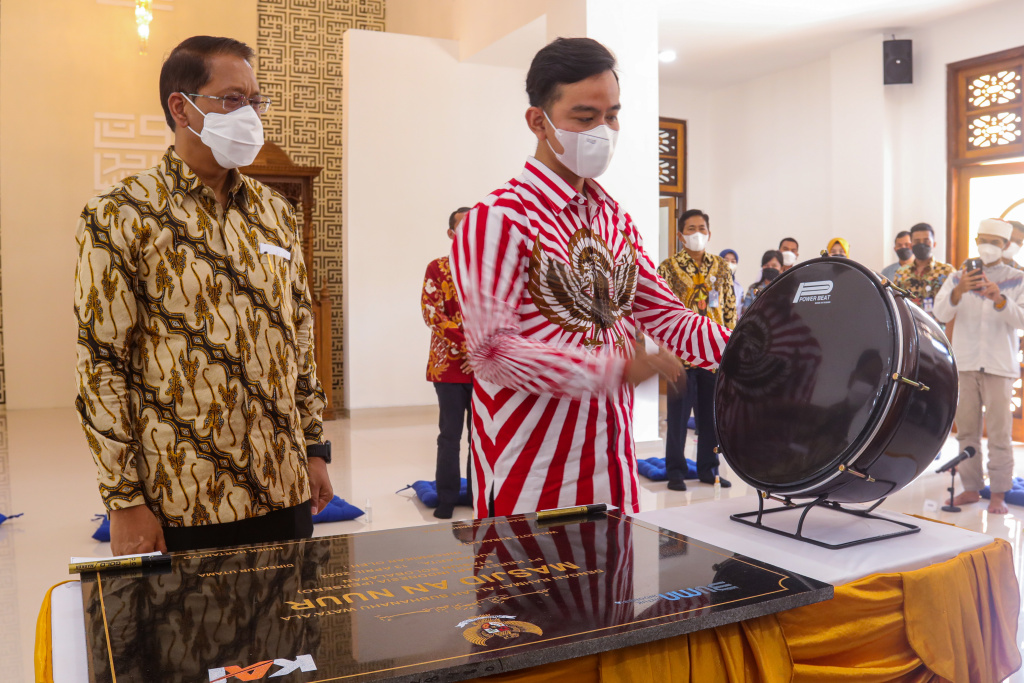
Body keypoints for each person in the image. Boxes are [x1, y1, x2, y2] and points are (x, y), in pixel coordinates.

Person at [449, 37, 731, 518]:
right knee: (538, 593)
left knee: (614, 590)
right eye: (585, 117)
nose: (604, 130)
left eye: (612, 115)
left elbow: (665, 314)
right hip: (533, 470)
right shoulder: (496, 219)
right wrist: (615, 370)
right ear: (539, 121)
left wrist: (752, 350)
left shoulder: (614, 219)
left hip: (613, 461)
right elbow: (492, 353)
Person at [74, 36, 333, 555]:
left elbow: (299, 337)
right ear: (181, 107)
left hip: (282, 484)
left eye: (255, 101)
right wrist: (123, 499)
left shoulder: (274, 213)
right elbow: (102, 365)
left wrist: (313, 448)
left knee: (291, 634)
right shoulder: (120, 214)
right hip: (184, 493)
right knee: (190, 635)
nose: (250, 115)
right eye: (233, 100)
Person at [934, 219, 1024, 515]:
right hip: (966, 362)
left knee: (999, 433)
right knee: (966, 431)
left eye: (994, 242)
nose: (988, 246)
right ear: (976, 241)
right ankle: (971, 489)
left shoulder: (1017, 278)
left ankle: (998, 494)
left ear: (1005, 245)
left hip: (1000, 366)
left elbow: (1021, 321)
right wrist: (959, 291)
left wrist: (1000, 299)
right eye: (983, 240)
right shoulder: (959, 276)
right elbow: (939, 311)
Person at [657, 212, 737, 490]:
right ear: (680, 236)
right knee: (678, 417)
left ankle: (709, 469)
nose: (696, 233)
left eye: (701, 228)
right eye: (690, 229)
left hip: (714, 355)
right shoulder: (667, 268)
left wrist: (730, 349)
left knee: (710, 418)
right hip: (680, 355)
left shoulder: (722, 267)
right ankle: (676, 471)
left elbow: (729, 311)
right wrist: (664, 350)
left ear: (709, 233)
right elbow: (660, 313)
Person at [421, 207, 474, 519]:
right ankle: (447, 497)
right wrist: (468, 347)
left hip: (484, 366)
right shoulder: (437, 268)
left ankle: (480, 493)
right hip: (449, 366)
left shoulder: (489, 269)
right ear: (451, 234)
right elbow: (431, 312)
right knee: (450, 433)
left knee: (481, 436)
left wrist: (479, 351)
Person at [893, 222, 954, 320]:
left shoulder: (947, 272)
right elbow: (897, 305)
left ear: (934, 244)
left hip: (938, 331)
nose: (921, 245)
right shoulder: (901, 273)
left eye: (926, 241)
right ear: (911, 245)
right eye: (917, 242)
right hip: (911, 330)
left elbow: (953, 306)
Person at [720, 248, 745, 317]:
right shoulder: (712, 282)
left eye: (733, 261)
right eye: (726, 260)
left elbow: (739, 311)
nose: (729, 264)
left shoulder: (739, 288)